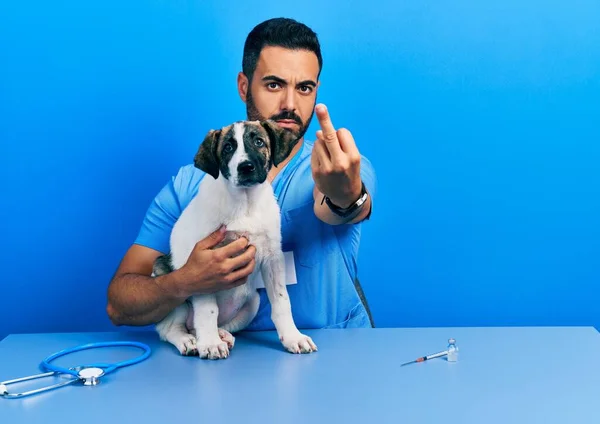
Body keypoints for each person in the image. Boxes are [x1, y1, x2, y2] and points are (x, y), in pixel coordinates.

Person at [106, 17, 377, 331]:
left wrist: (344, 193)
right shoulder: (188, 187)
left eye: (304, 88)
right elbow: (119, 305)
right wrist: (183, 282)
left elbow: (340, 204)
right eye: (274, 84)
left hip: (332, 351)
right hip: (228, 358)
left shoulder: (338, 166)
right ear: (244, 86)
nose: (290, 104)